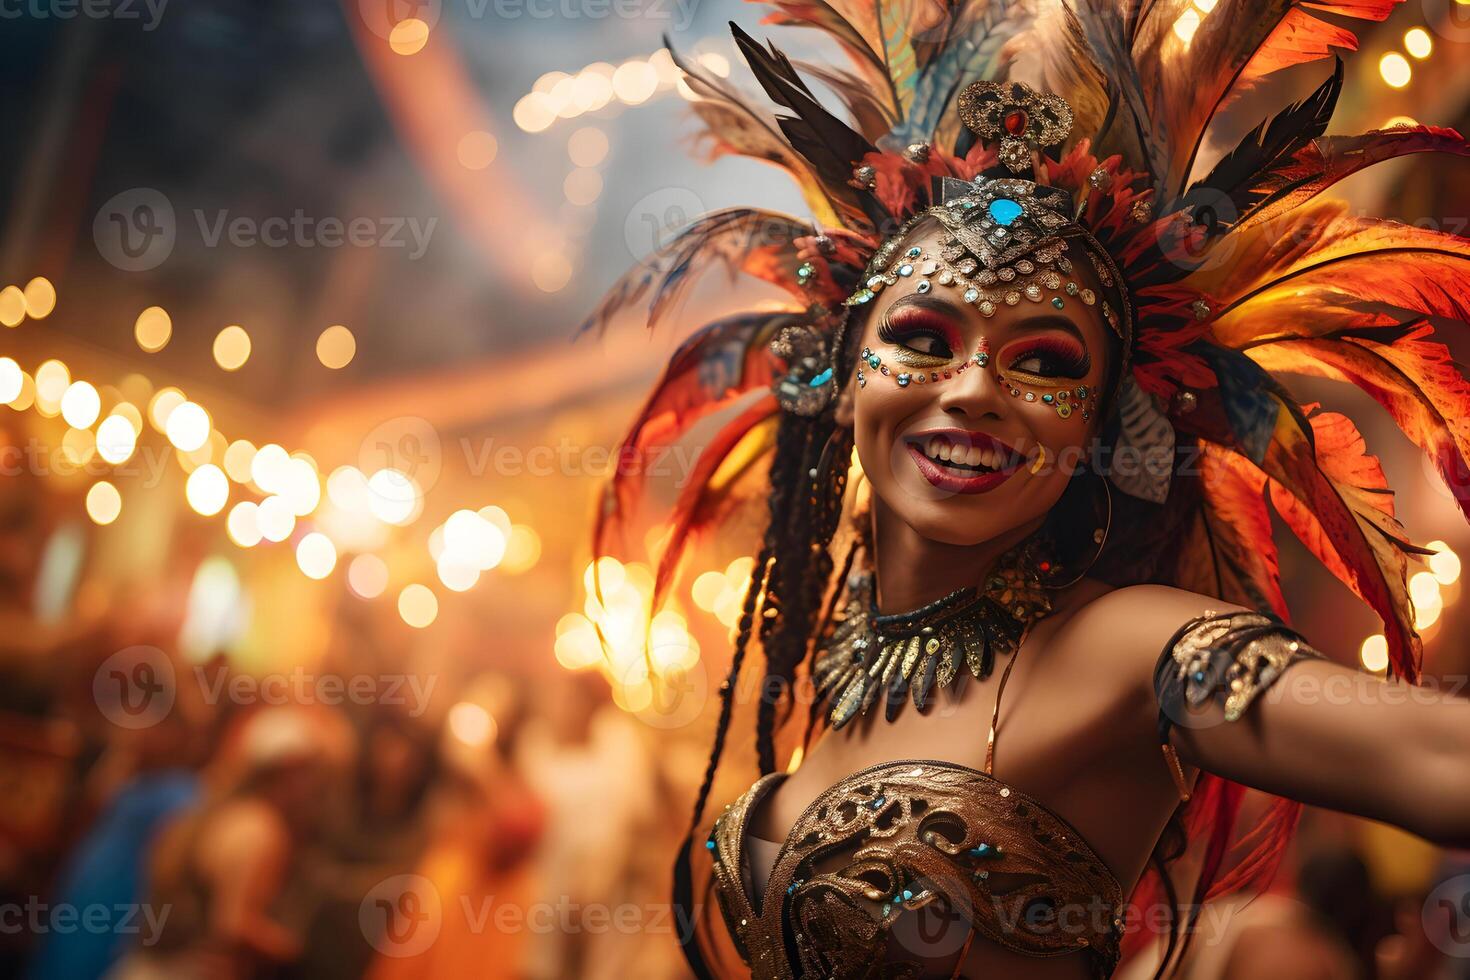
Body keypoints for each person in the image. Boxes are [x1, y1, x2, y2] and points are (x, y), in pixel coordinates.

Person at [580, 1, 1470, 976]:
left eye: (1041, 360)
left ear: (1104, 426)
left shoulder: (1126, 647)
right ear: (839, 378)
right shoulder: (835, 667)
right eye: (924, 339)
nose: (972, 391)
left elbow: (1439, 756)